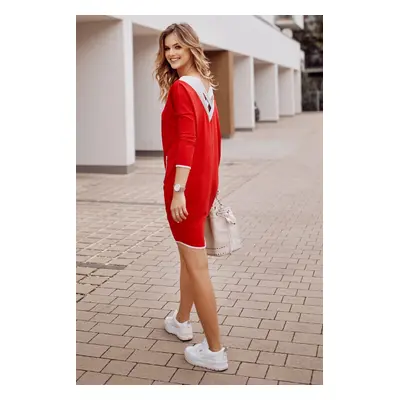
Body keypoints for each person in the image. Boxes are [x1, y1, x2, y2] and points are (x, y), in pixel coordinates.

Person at [154, 23, 228, 371]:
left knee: (198, 268)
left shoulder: (184, 88)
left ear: (191, 47)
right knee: (189, 258)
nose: (171, 53)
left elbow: (187, 142)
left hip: (185, 188)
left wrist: (179, 191)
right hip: (203, 185)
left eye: (177, 46)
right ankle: (182, 320)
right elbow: (214, 145)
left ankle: (215, 350)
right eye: (167, 47)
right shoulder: (206, 87)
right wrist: (209, 187)